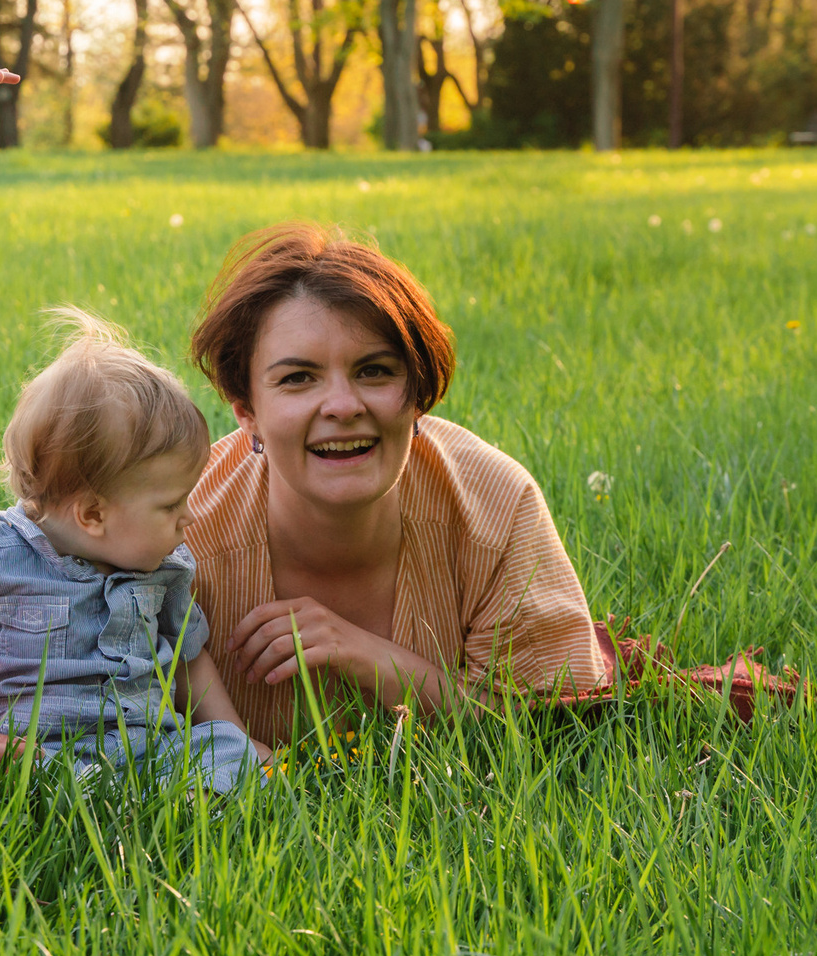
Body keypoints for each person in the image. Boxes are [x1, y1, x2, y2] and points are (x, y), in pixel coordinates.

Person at [180, 224, 609, 745]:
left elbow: (561, 727)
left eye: (375, 371)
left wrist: (368, 655)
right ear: (247, 412)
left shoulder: (495, 504)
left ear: (418, 393)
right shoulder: (178, 530)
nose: (343, 405)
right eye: (298, 378)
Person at [0, 312, 267, 793]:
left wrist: (240, 739)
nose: (190, 517)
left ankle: (156, 801)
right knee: (3, 779)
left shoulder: (165, 567)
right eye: (170, 505)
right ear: (93, 515)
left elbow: (189, 660)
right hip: (36, 754)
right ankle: (105, 807)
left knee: (228, 752)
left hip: (146, 750)